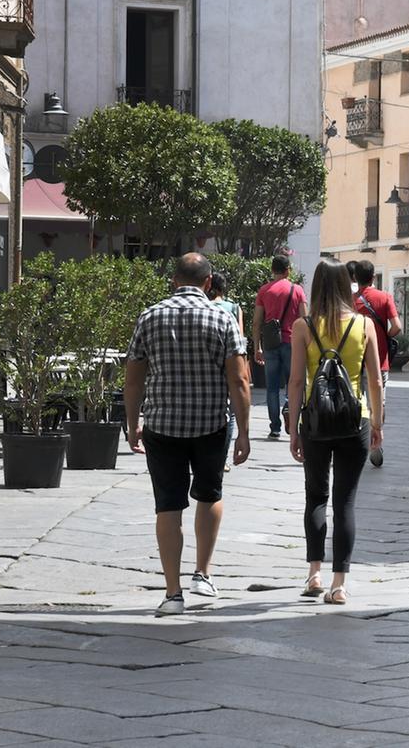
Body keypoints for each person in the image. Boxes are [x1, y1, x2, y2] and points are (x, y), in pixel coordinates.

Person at [125, 254, 250, 617]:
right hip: (210, 423)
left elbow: (133, 378)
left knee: (167, 505)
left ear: (173, 280)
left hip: (162, 425)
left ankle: (172, 592)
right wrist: (244, 432)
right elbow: (239, 380)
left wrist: (133, 421)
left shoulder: (150, 316)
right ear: (209, 283)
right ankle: (203, 573)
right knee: (209, 494)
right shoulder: (223, 317)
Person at [287, 259, 384, 607]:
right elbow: (374, 379)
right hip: (353, 420)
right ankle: (339, 583)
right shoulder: (364, 325)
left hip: (315, 422)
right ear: (347, 285)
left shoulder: (303, 326)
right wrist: (376, 422)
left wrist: (293, 426)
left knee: (315, 497)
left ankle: (314, 573)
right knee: (345, 502)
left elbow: (297, 380)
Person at [252, 255, 307, 441]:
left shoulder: (264, 291)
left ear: (272, 270)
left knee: (272, 388)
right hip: (292, 343)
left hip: (270, 344)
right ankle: (290, 412)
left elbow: (256, 322)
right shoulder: (297, 290)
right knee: (295, 383)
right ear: (288, 270)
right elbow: (304, 320)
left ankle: (274, 427)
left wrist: (256, 348)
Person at [353, 260, 401, 466]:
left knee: (356, 401)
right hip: (379, 360)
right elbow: (397, 326)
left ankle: (357, 441)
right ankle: (376, 441)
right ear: (373, 277)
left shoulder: (350, 300)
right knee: (378, 401)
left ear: (355, 278)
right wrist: (385, 337)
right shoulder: (385, 297)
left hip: (354, 360)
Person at [209, 272, 245, 472]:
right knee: (229, 413)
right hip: (228, 365)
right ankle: (222, 457)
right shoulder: (233, 307)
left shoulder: (203, 307)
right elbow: (240, 340)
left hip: (207, 366)